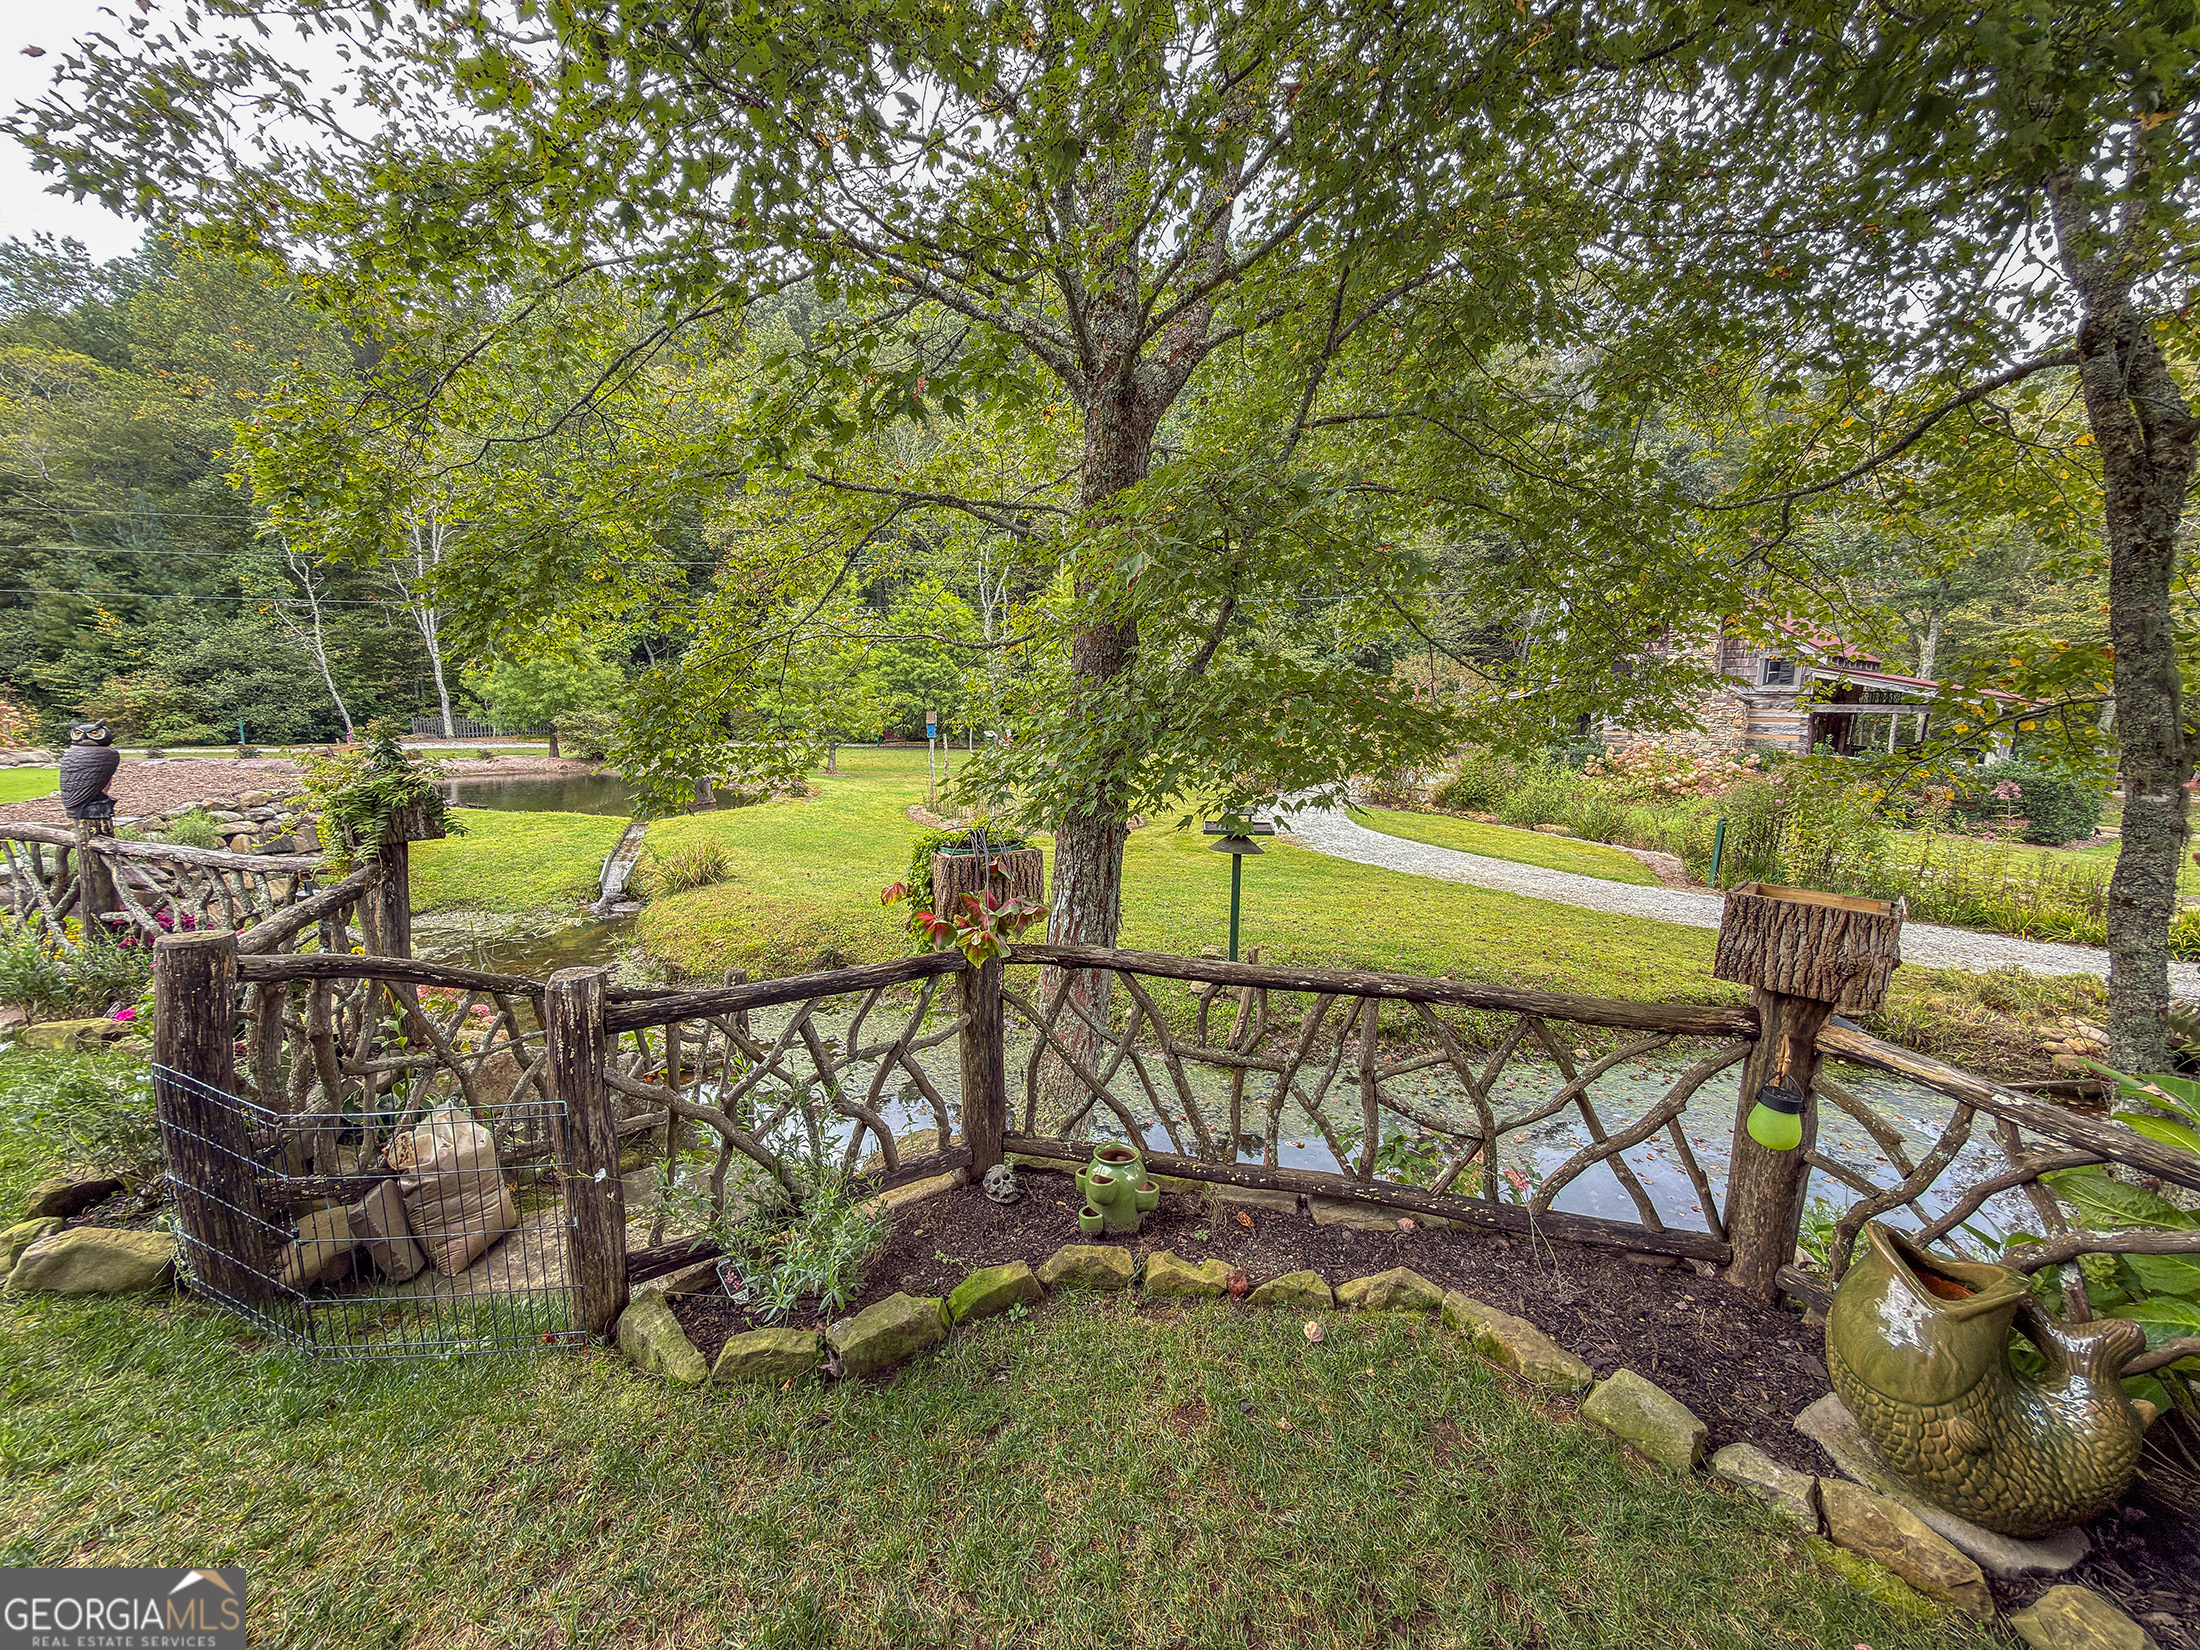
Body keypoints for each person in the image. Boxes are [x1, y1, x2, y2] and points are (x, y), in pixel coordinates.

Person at [58, 719, 121, 821]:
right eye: (78, 733)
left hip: (79, 795)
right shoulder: (108, 753)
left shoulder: (71, 752)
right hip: (84, 795)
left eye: (94, 733)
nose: (84, 737)